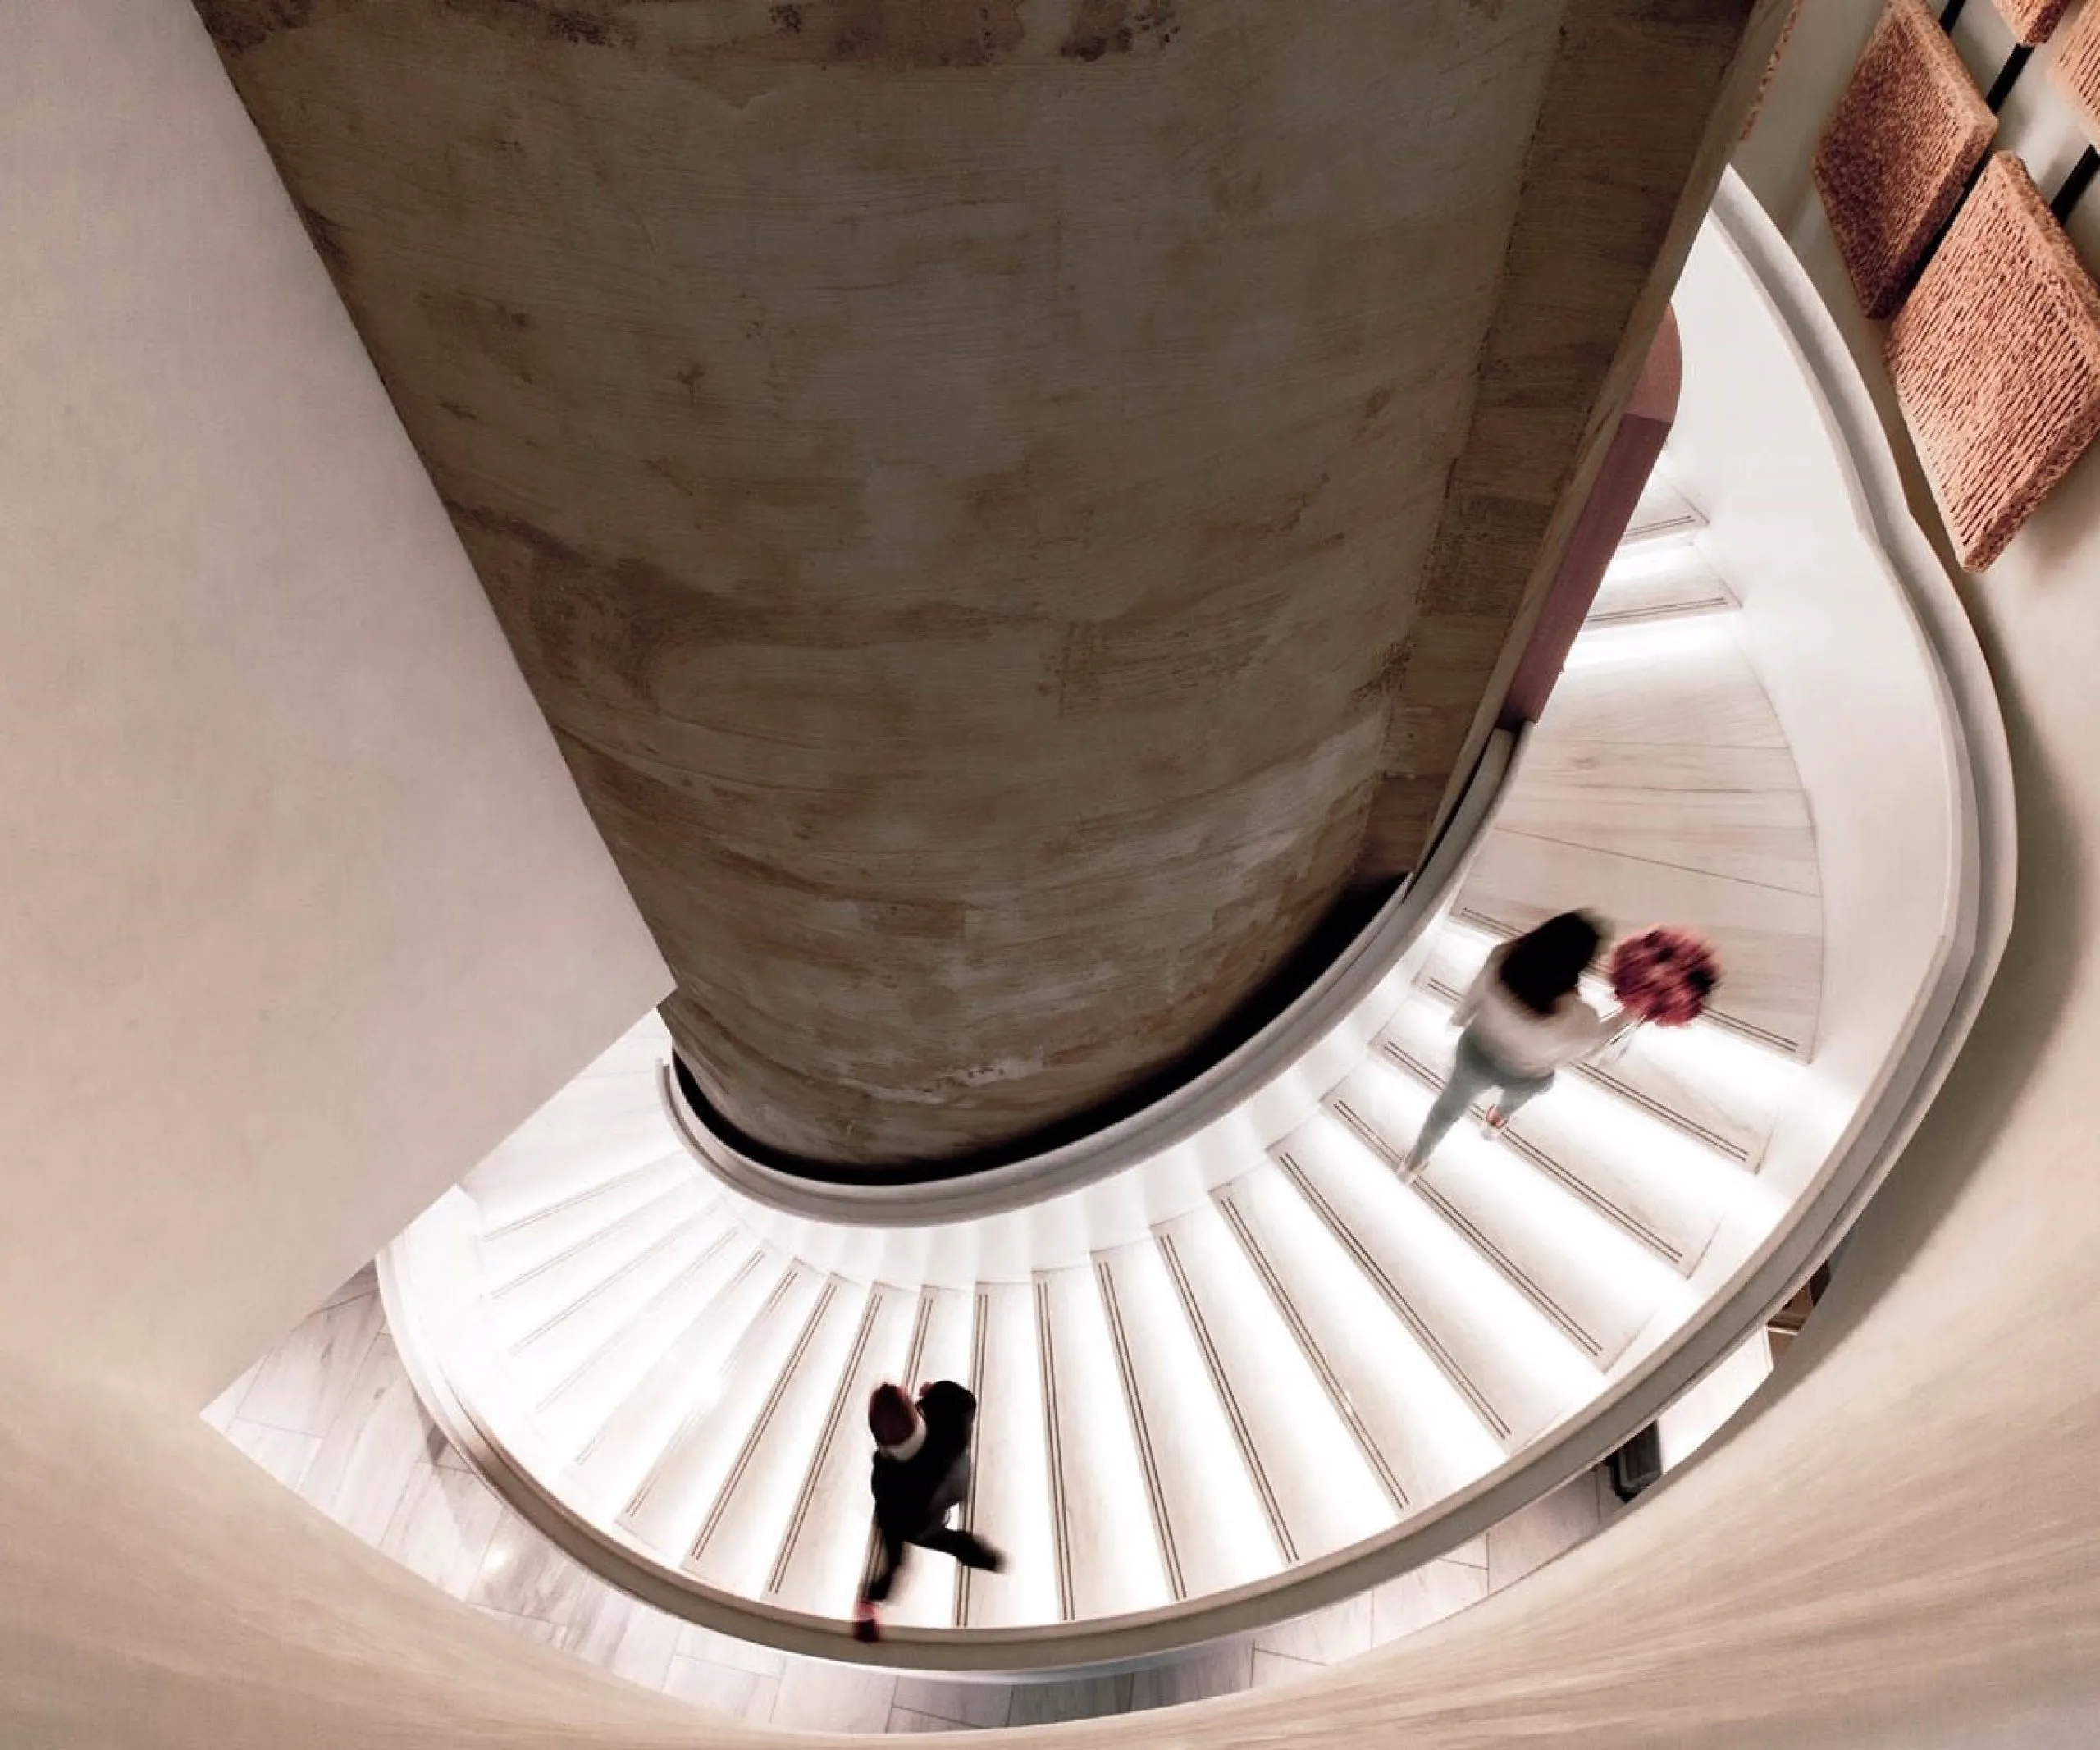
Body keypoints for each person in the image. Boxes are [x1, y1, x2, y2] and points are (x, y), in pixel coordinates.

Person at [1402, 911, 1630, 1177]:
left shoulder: (1503, 958)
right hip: (1525, 1074)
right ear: (1581, 965)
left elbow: (1473, 996)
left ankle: (1414, 1163)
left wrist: (1459, 1018)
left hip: (1477, 1053)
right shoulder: (1580, 1018)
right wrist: (1630, 1012)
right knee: (1516, 1098)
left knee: (1447, 1109)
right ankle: (1495, 1122)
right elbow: (1590, 1050)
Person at [853, 1379, 1003, 1642]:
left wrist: (873, 1597)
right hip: (956, 1481)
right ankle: (989, 1559)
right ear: (914, 1407)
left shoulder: (887, 1482)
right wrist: (932, 1391)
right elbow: (968, 1401)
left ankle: (874, 1600)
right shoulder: (947, 1407)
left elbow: (892, 1540)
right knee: (915, 1527)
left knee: (897, 1535)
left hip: (919, 1519)